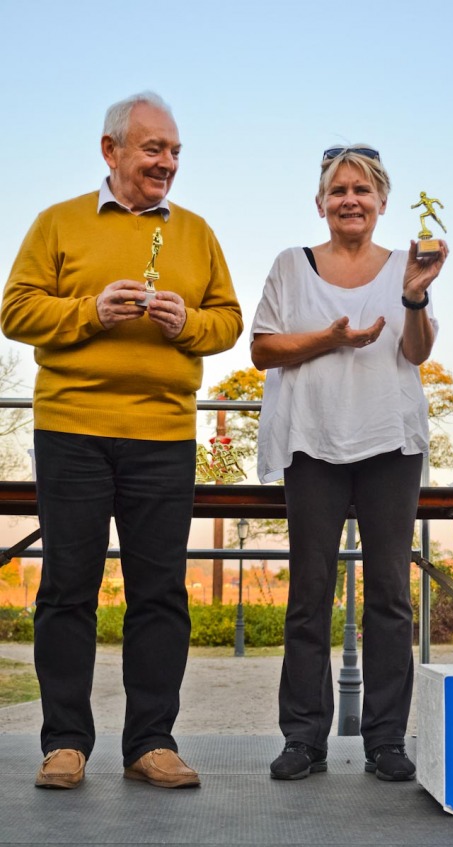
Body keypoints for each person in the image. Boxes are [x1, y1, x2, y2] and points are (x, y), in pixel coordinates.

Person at [1, 92, 243, 790]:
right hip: (71, 429)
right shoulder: (58, 222)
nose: (166, 162)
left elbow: (228, 321)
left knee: (160, 592)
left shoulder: (196, 232)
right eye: (153, 149)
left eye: (175, 152)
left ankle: (151, 743)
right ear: (111, 151)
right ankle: (65, 742)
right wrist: (91, 311)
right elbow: (15, 309)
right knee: (67, 587)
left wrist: (187, 323)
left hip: (163, 434)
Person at [250, 145, 448, 783]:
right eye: (338, 190)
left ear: (382, 201)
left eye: (362, 190)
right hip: (312, 442)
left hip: (389, 442)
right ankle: (304, 738)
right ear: (320, 203)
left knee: (390, 593)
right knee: (309, 592)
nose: (350, 200)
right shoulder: (291, 265)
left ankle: (385, 740)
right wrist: (330, 338)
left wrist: (414, 298)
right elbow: (262, 349)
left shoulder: (406, 266)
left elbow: (416, 354)